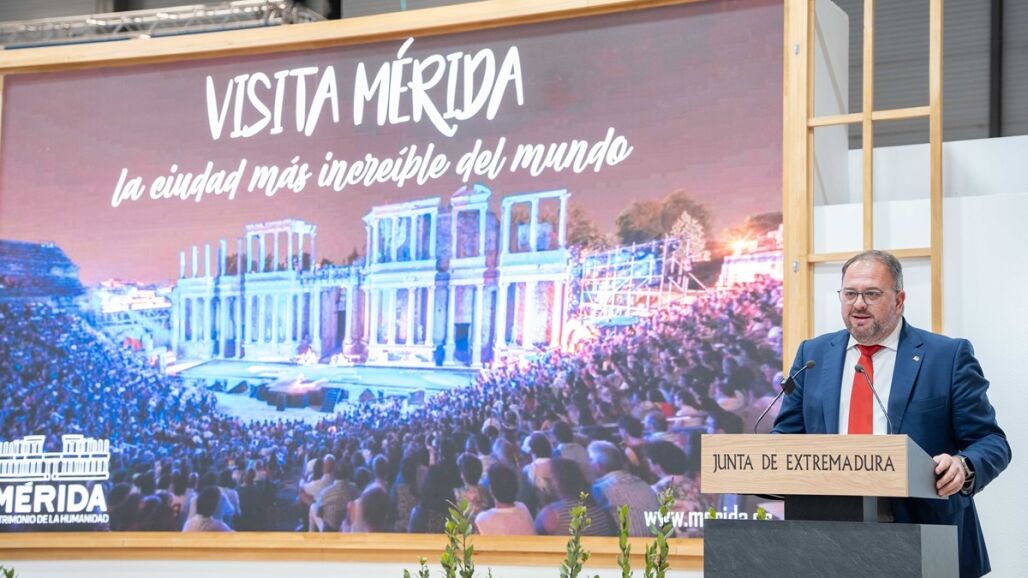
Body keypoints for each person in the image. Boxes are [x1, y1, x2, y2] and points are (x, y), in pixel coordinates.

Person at [773, 250, 1010, 578]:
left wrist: (963, 466)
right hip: (828, 538)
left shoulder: (947, 356)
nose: (858, 304)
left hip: (925, 536)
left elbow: (991, 441)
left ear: (899, 300)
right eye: (850, 294)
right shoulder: (812, 355)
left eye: (871, 294)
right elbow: (784, 441)